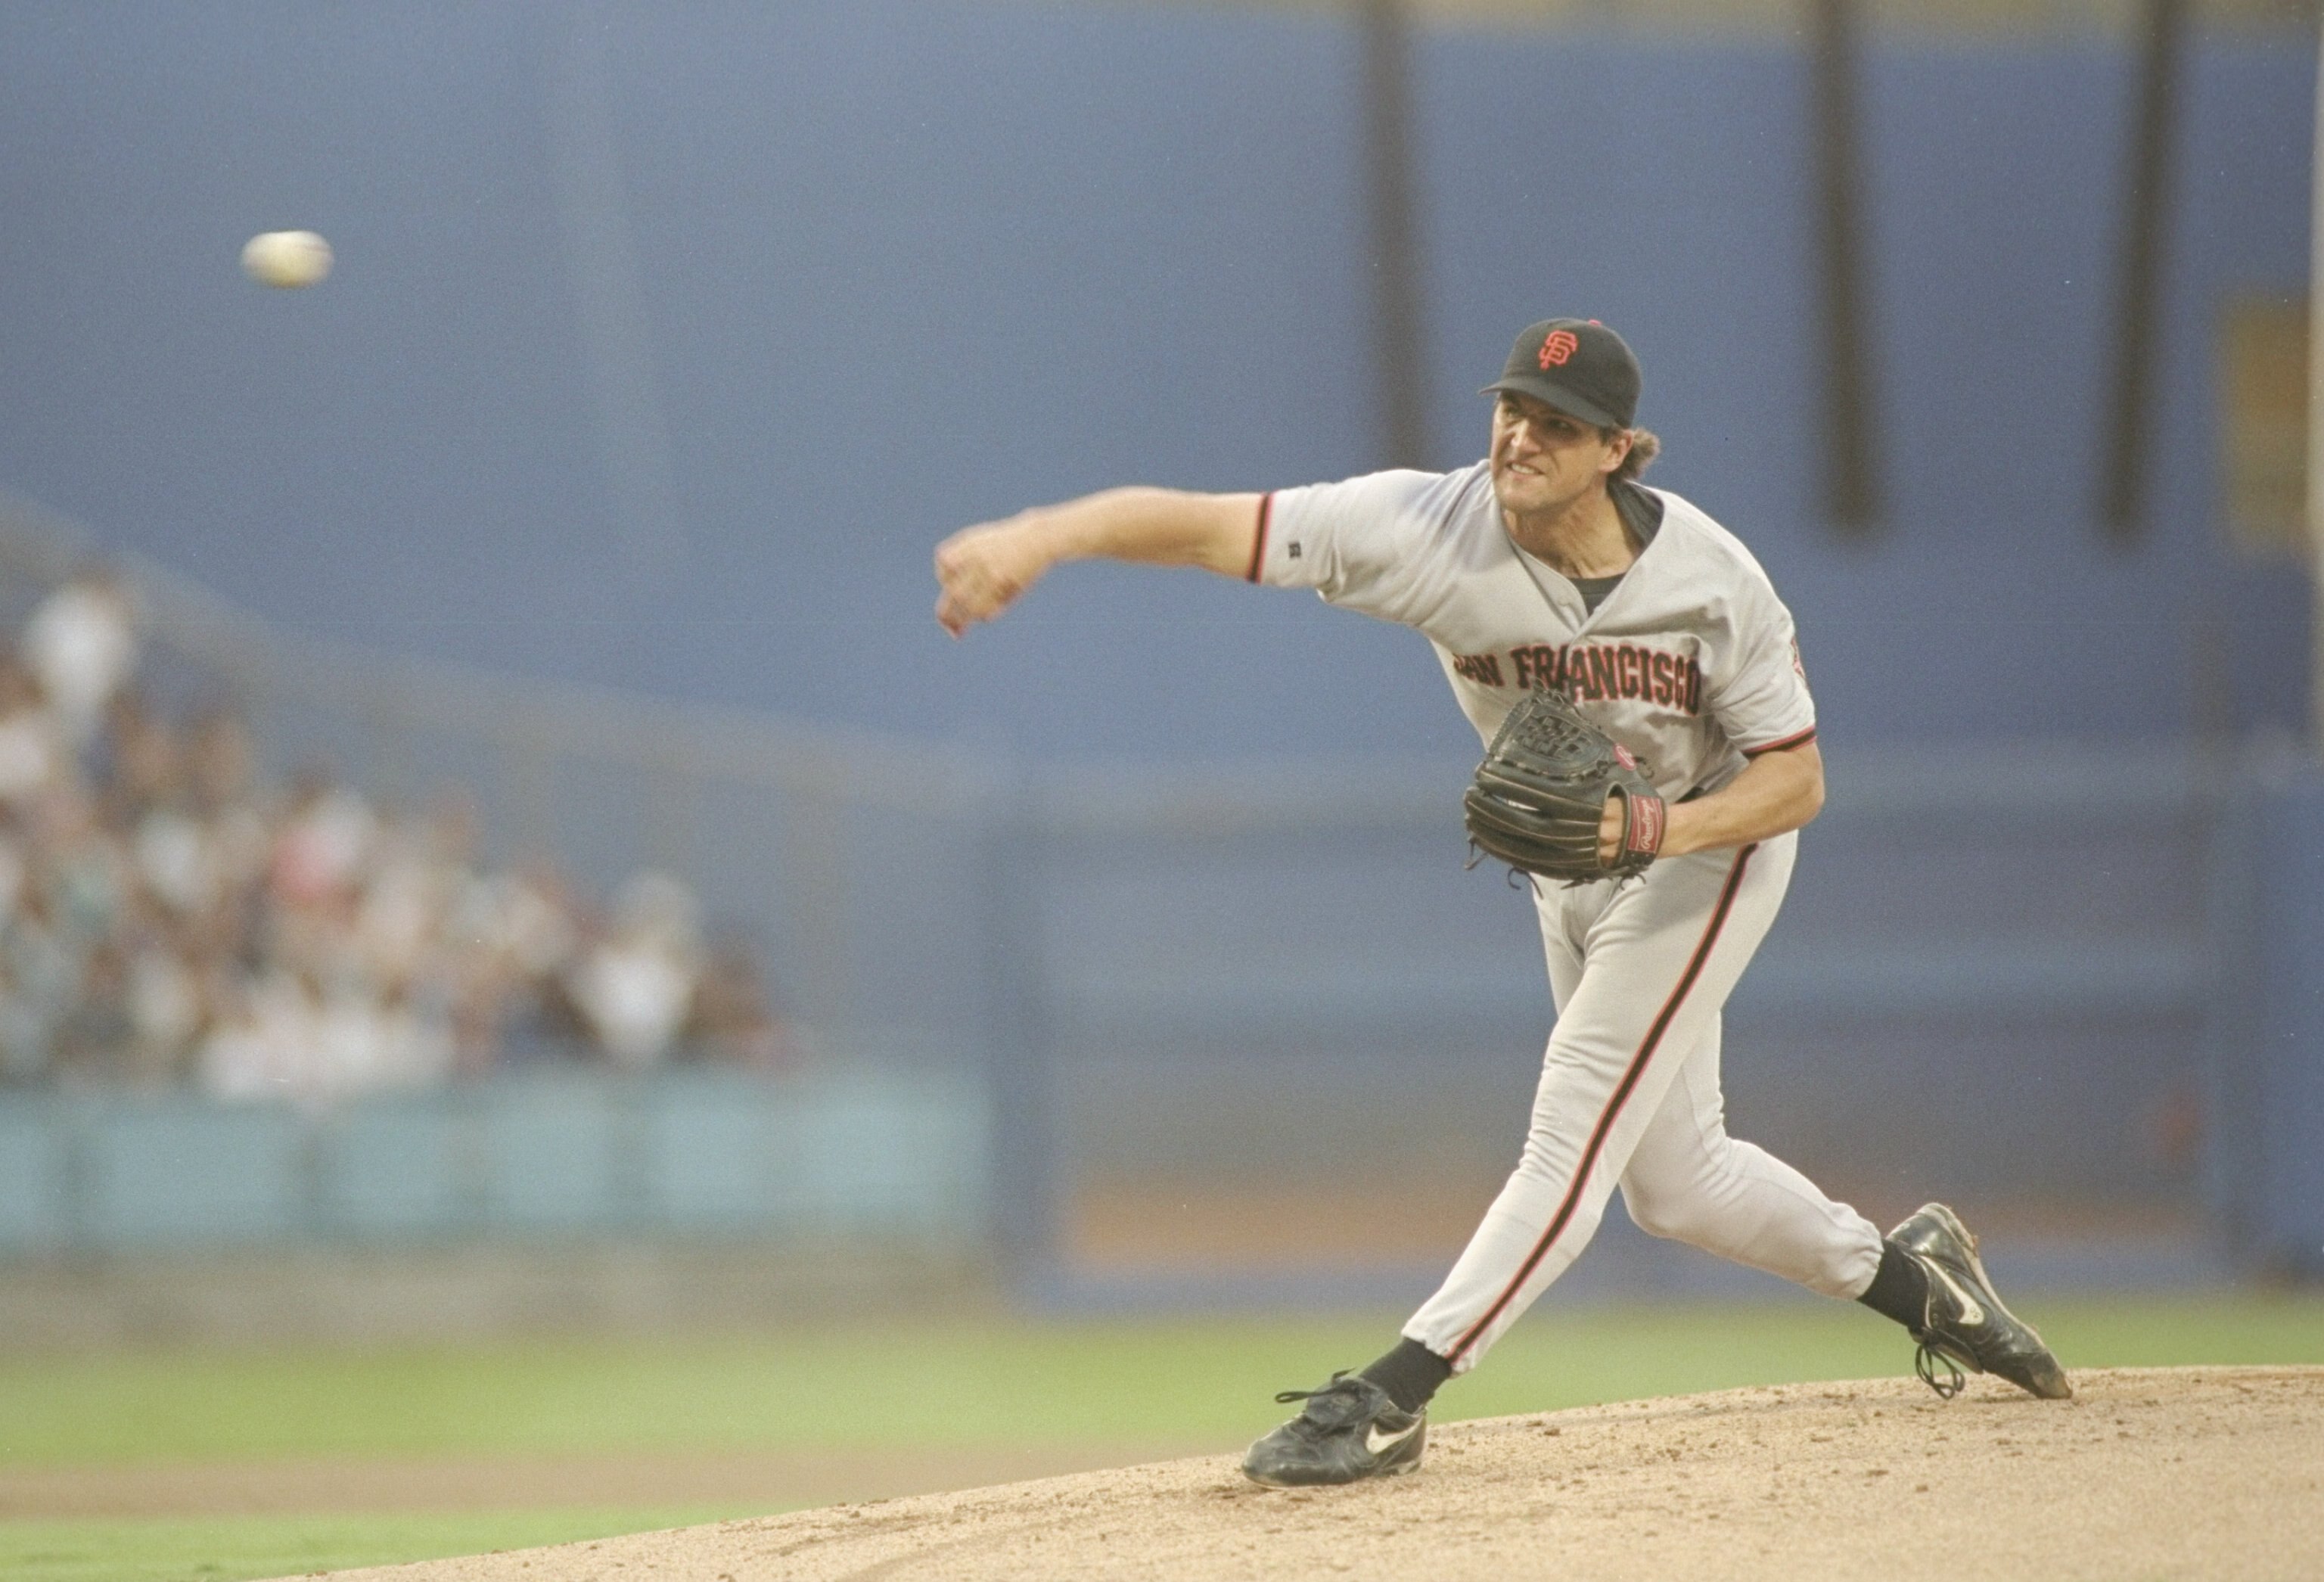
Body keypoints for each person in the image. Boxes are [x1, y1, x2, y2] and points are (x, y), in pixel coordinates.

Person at [934, 318, 2070, 1488]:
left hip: (1706, 850)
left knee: (1568, 1133)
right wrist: (1039, 537)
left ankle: (1392, 1394)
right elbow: (1210, 524)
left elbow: (1799, 780)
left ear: (1621, 450)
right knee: (1677, 1183)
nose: (1522, 437)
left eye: (1558, 425)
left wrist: (1661, 828)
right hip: (1570, 872)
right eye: (1513, 409)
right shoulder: (1424, 527)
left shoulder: (1716, 581)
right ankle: (1920, 1276)